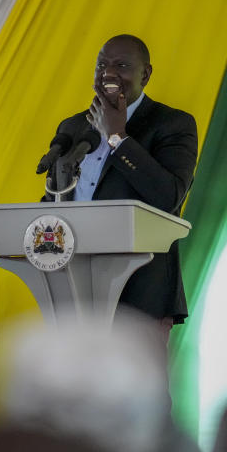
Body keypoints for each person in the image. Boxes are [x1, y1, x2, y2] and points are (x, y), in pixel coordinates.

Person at [42, 33, 199, 332]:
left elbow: (168, 197)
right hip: (72, 292)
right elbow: (53, 203)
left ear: (146, 74)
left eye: (122, 65)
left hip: (141, 295)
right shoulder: (73, 127)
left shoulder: (172, 124)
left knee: (137, 382)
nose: (108, 73)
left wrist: (117, 137)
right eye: (102, 65)